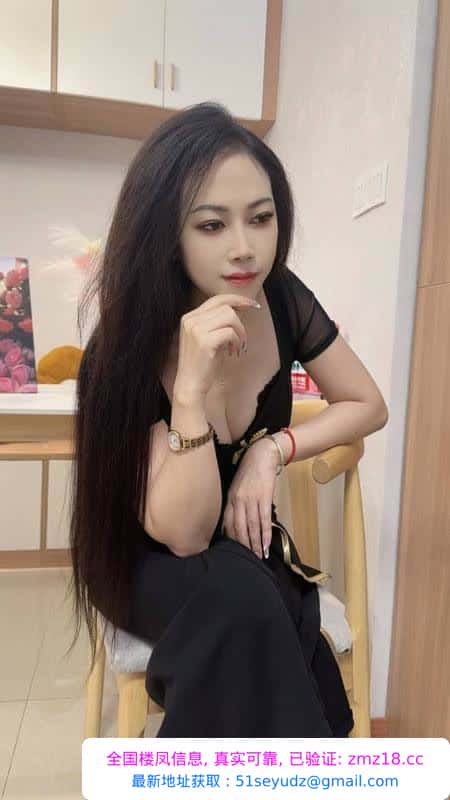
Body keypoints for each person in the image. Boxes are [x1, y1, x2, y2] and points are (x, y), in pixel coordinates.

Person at [68, 102, 388, 737]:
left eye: (261, 218)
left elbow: (367, 404)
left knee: (250, 599)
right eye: (211, 225)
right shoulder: (123, 346)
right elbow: (184, 537)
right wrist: (189, 393)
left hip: (241, 549)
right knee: (247, 604)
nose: (244, 248)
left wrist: (274, 450)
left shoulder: (284, 298)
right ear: (167, 233)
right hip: (142, 558)